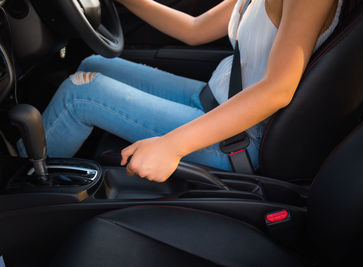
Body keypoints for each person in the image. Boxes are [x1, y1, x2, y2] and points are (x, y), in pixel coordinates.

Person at [19, 0, 343, 182]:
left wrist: (171, 146)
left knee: (80, 94)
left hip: (240, 138)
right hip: (213, 99)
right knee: (95, 63)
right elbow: (195, 29)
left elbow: (277, 90)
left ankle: (13, 182)